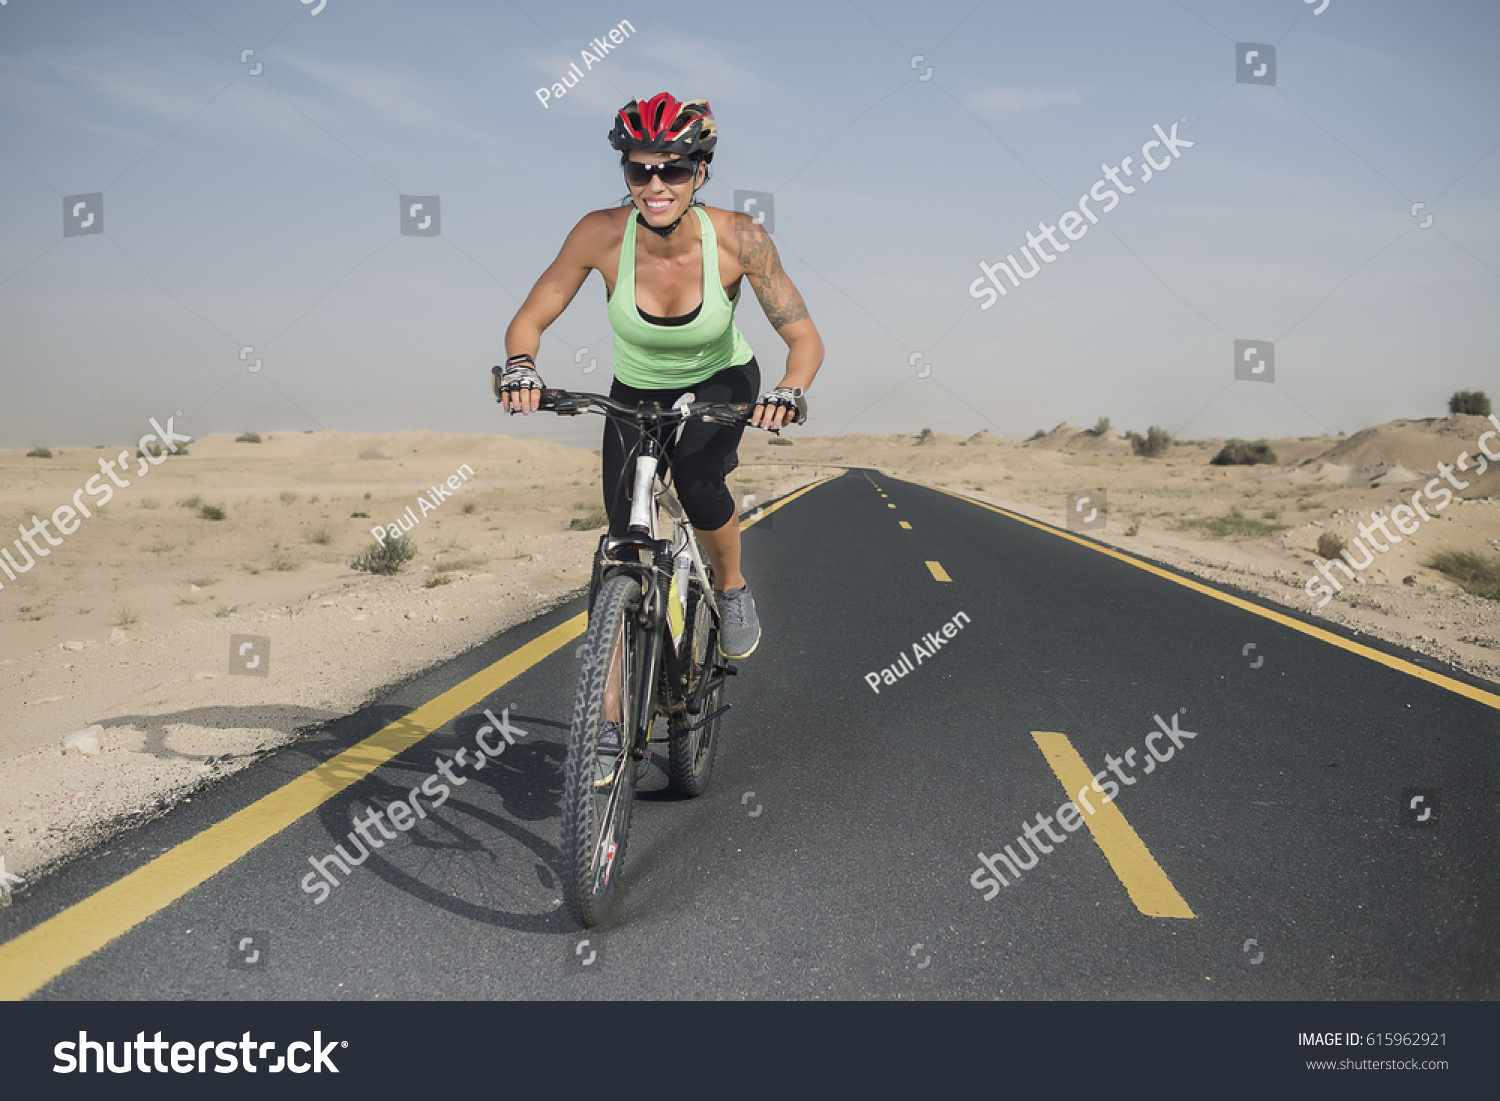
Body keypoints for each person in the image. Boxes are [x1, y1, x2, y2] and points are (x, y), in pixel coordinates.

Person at [496, 92, 824, 665]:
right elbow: (530, 317)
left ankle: (732, 588)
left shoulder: (739, 239)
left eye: (671, 169)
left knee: (699, 482)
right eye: (638, 169)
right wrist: (522, 366)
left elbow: (804, 339)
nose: (655, 185)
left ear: (699, 172)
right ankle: (607, 727)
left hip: (721, 381)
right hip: (637, 390)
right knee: (621, 539)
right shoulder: (598, 234)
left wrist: (789, 389)